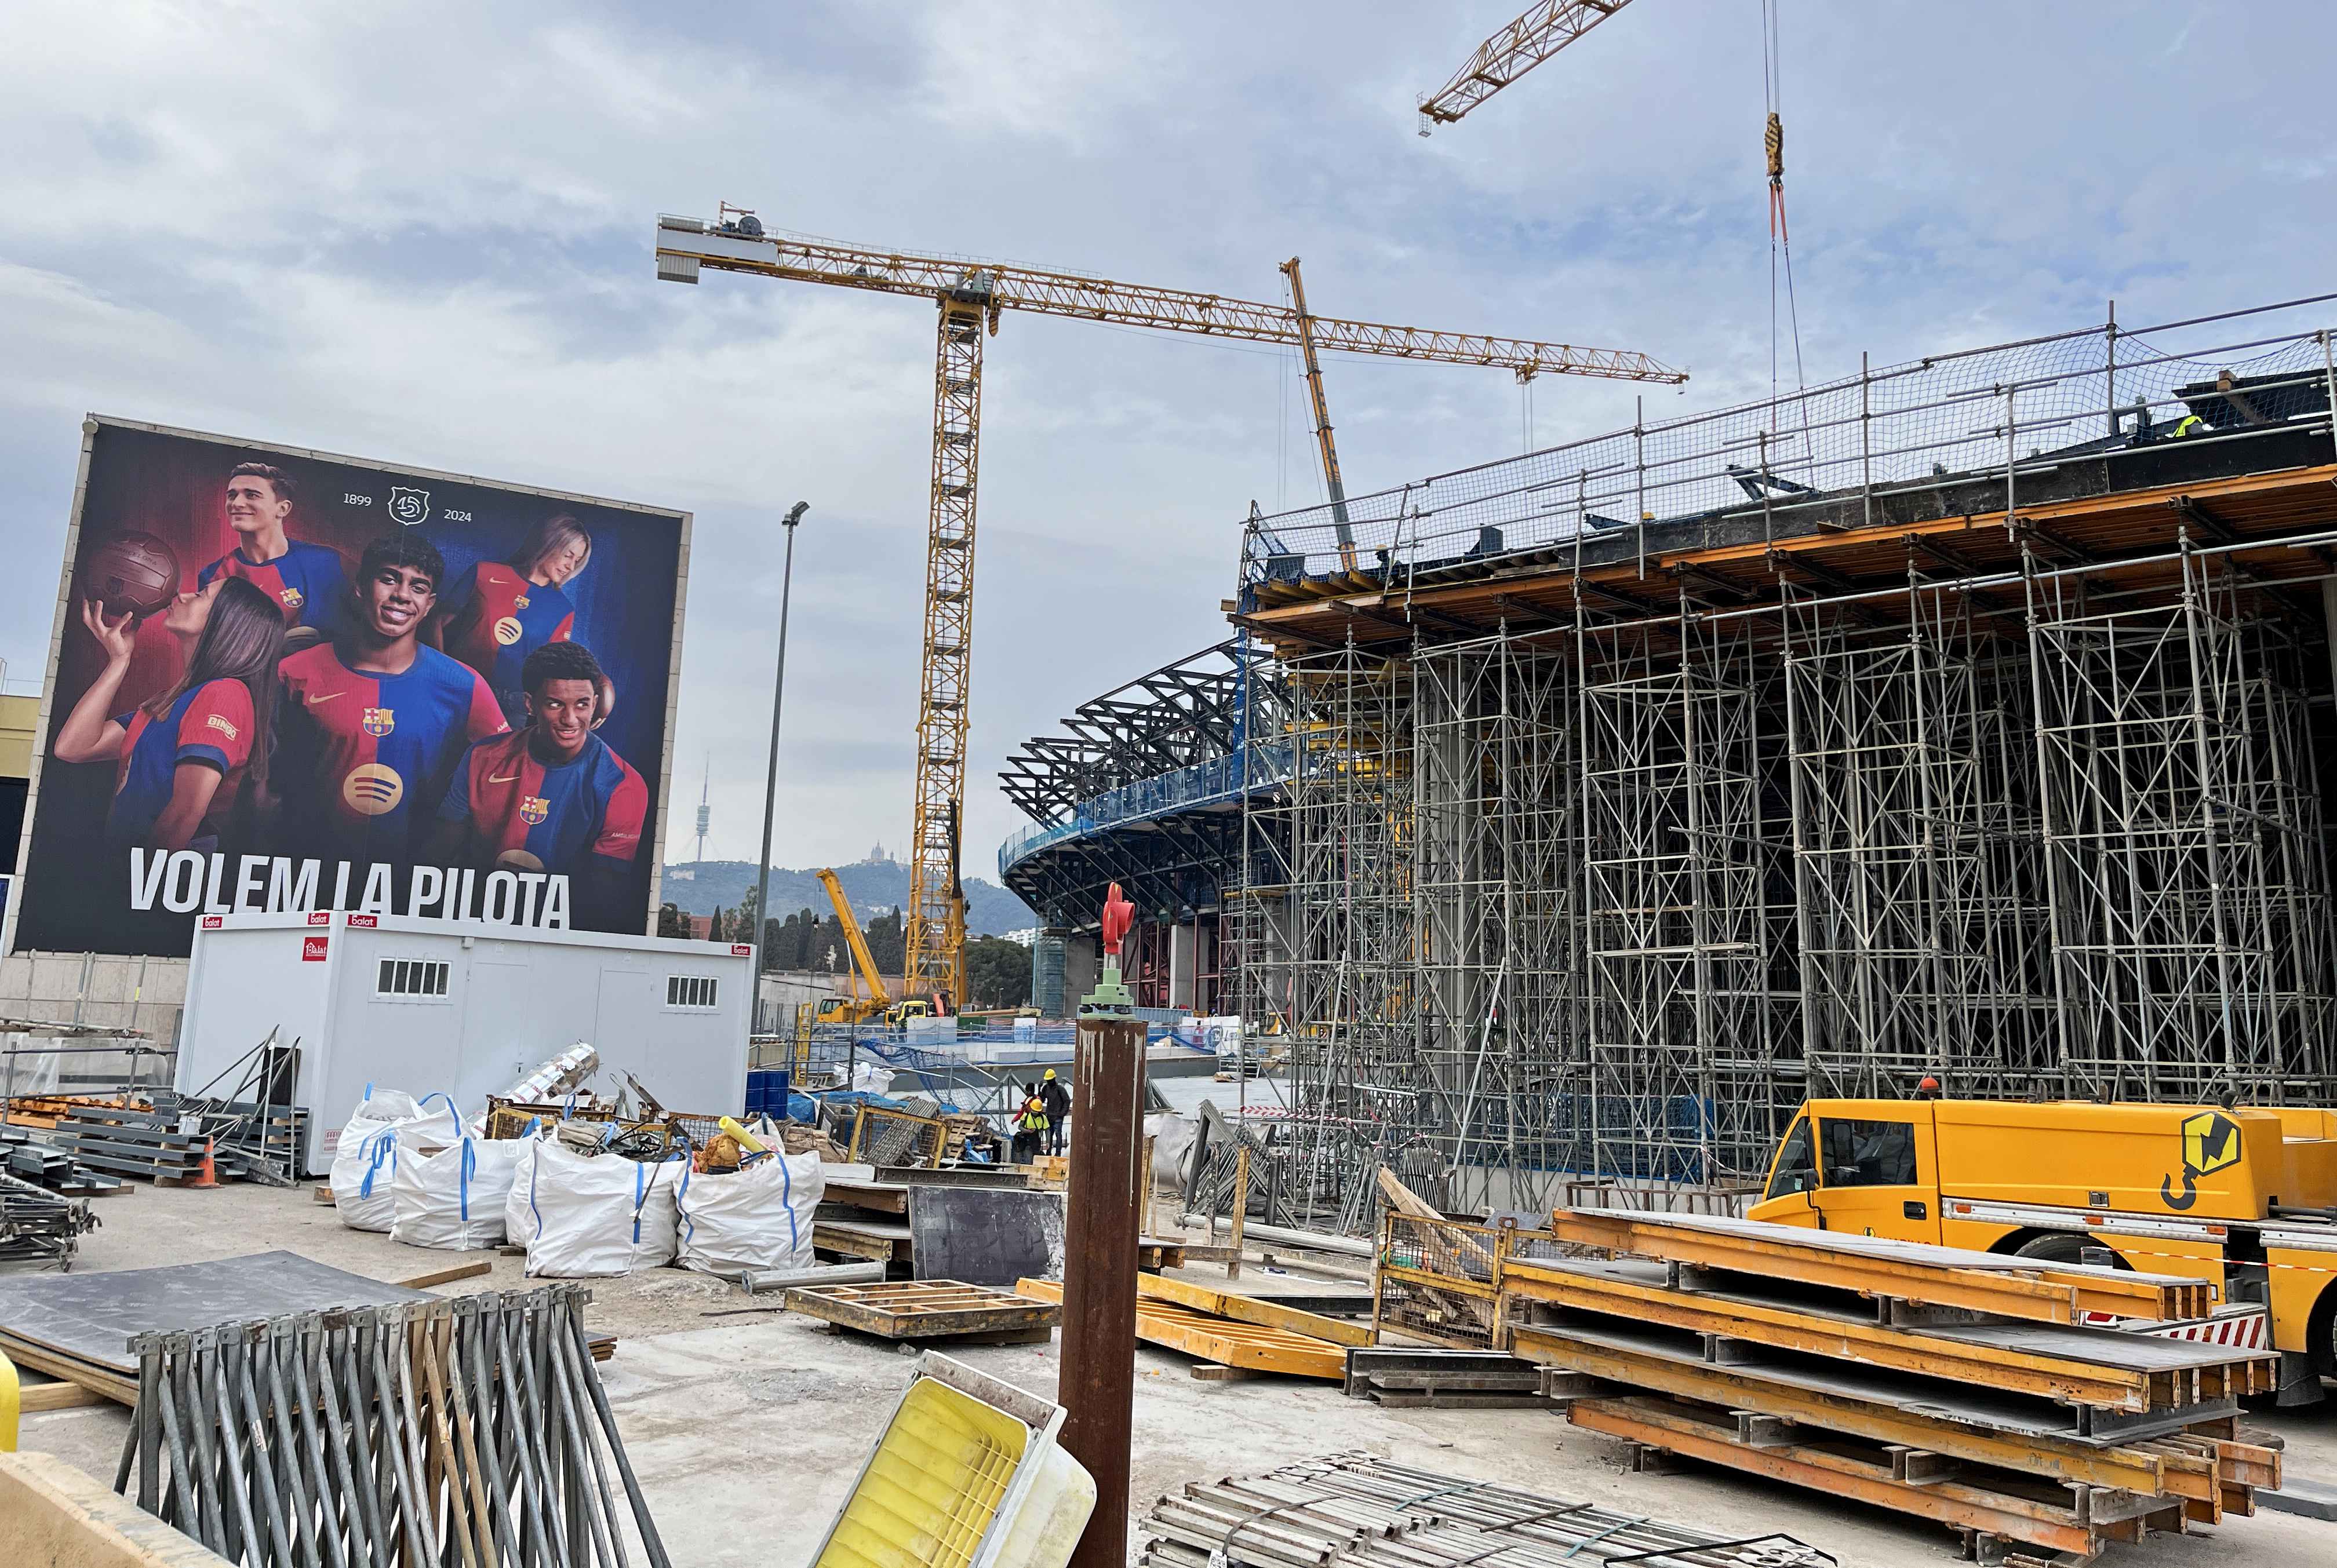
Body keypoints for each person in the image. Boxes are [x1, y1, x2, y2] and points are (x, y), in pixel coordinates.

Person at [274, 533, 507, 863]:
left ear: (429, 604)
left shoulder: (464, 685)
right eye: (389, 580)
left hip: (411, 874)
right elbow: (260, 775)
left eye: (418, 587)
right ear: (360, 587)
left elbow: (507, 775)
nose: (401, 595)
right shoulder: (295, 672)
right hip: (308, 866)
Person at [54, 575, 285, 851]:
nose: (185, 596)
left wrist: (130, 885)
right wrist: (119, 661)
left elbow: (184, 814)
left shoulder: (225, 695)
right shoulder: (171, 704)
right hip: (133, 874)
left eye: (201, 595)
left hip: (159, 883)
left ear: (229, 623)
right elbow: (74, 747)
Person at [433, 641, 646, 927]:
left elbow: (603, 898)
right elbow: (440, 851)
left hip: (561, 935)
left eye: (582, 704)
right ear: (531, 703)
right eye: (555, 704)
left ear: (595, 703)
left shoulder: (623, 785)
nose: (570, 719)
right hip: (471, 922)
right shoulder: (482, 757)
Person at [428, 512, 595, 728]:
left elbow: (554, 670)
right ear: (549, 543)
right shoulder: (485, 573)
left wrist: (595, 691)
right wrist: (443, 671)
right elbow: (436, 620)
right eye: (568, 555)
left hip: (515, 707)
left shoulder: (563, 609)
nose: (571, 567)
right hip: (462, 688)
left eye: (577, 561)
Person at [196, 463, 348, 648]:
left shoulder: (328, 562)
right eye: (232, 495)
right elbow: (214, 650)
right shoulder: (214, 576)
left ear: (283, 509)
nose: (237, 503)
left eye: (251, 495)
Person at [1011, 1082, 1049, 1165]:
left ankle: (1032, 1163)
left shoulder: (1037, 1101)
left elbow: (1046, 1128)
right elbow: (1021, 1113)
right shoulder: (1027, 1101)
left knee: (1035, 1150)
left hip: (1036, 1132)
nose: (1026, 1093)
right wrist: (1016, 1119)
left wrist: (1047, 1141)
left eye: (1028, 1091)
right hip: (1027, 1129)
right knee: (1026, 1149)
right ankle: (1027, 1162)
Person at [1038, 1067, 1071, 1157]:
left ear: (1054, 1079)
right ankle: (1049, 1153)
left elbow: (1067, 1101)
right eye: (1047, 1081)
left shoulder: (1060, 1089)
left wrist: (1062, 1114)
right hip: (1049, 1116)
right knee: (1049, 1135)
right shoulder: (1046, 1088)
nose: (1049, 1082)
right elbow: (1041, 1100)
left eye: (1050, 1080)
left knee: (1058, 1134)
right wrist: (1039, 1089)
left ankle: (1058, 1154)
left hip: (1058, 1117)